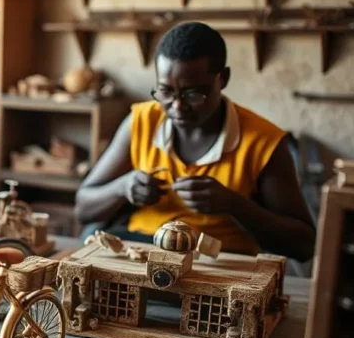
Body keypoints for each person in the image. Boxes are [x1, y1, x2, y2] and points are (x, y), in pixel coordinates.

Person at [74, 22, 315, 260]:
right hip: (140, 252)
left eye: (193, 94)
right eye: (166, 92)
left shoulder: (263, 142)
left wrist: (234, 205)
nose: (177, 106)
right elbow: (83, 208)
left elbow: (304, 246)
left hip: (220, 266)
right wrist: (123, 187)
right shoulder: (142, 121)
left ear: (223, 79)